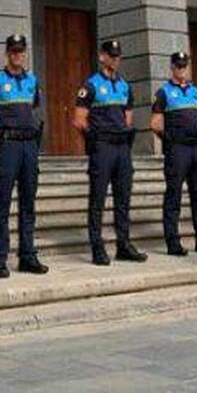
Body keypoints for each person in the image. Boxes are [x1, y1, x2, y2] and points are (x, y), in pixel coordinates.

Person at [73, 39, 147, 265]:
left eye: (118, 56)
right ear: (101, 56)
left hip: (122, 147)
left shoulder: (125, 85)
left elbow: (127, 116)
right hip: (102, 147)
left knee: (123, 197)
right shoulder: (91, 85)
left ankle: (123, 245)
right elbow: (78, 120)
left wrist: (122, 133)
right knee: (98, 199)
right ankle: (98, 247)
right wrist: (95, 138)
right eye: (111, 55)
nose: (115, 59)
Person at [0, 34, 48, 279]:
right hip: (8, 146)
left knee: (28, 203)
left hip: (29, 145)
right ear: (7, 53)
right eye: (14, 51)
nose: (18, 55)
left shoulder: (32, 80)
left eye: (21, 51)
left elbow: (35, 110)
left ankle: (28, 256)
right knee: (2, 204)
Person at [151, 51, 197, 256]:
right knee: (173, 196)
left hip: (196, 150)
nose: (182, 70)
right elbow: (155, 123)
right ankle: (173, 242)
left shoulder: (194, 91)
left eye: (185, 66)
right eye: (178, 66)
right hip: (178, 150)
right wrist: (171, 141)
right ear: (172, 67)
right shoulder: (163, 92)